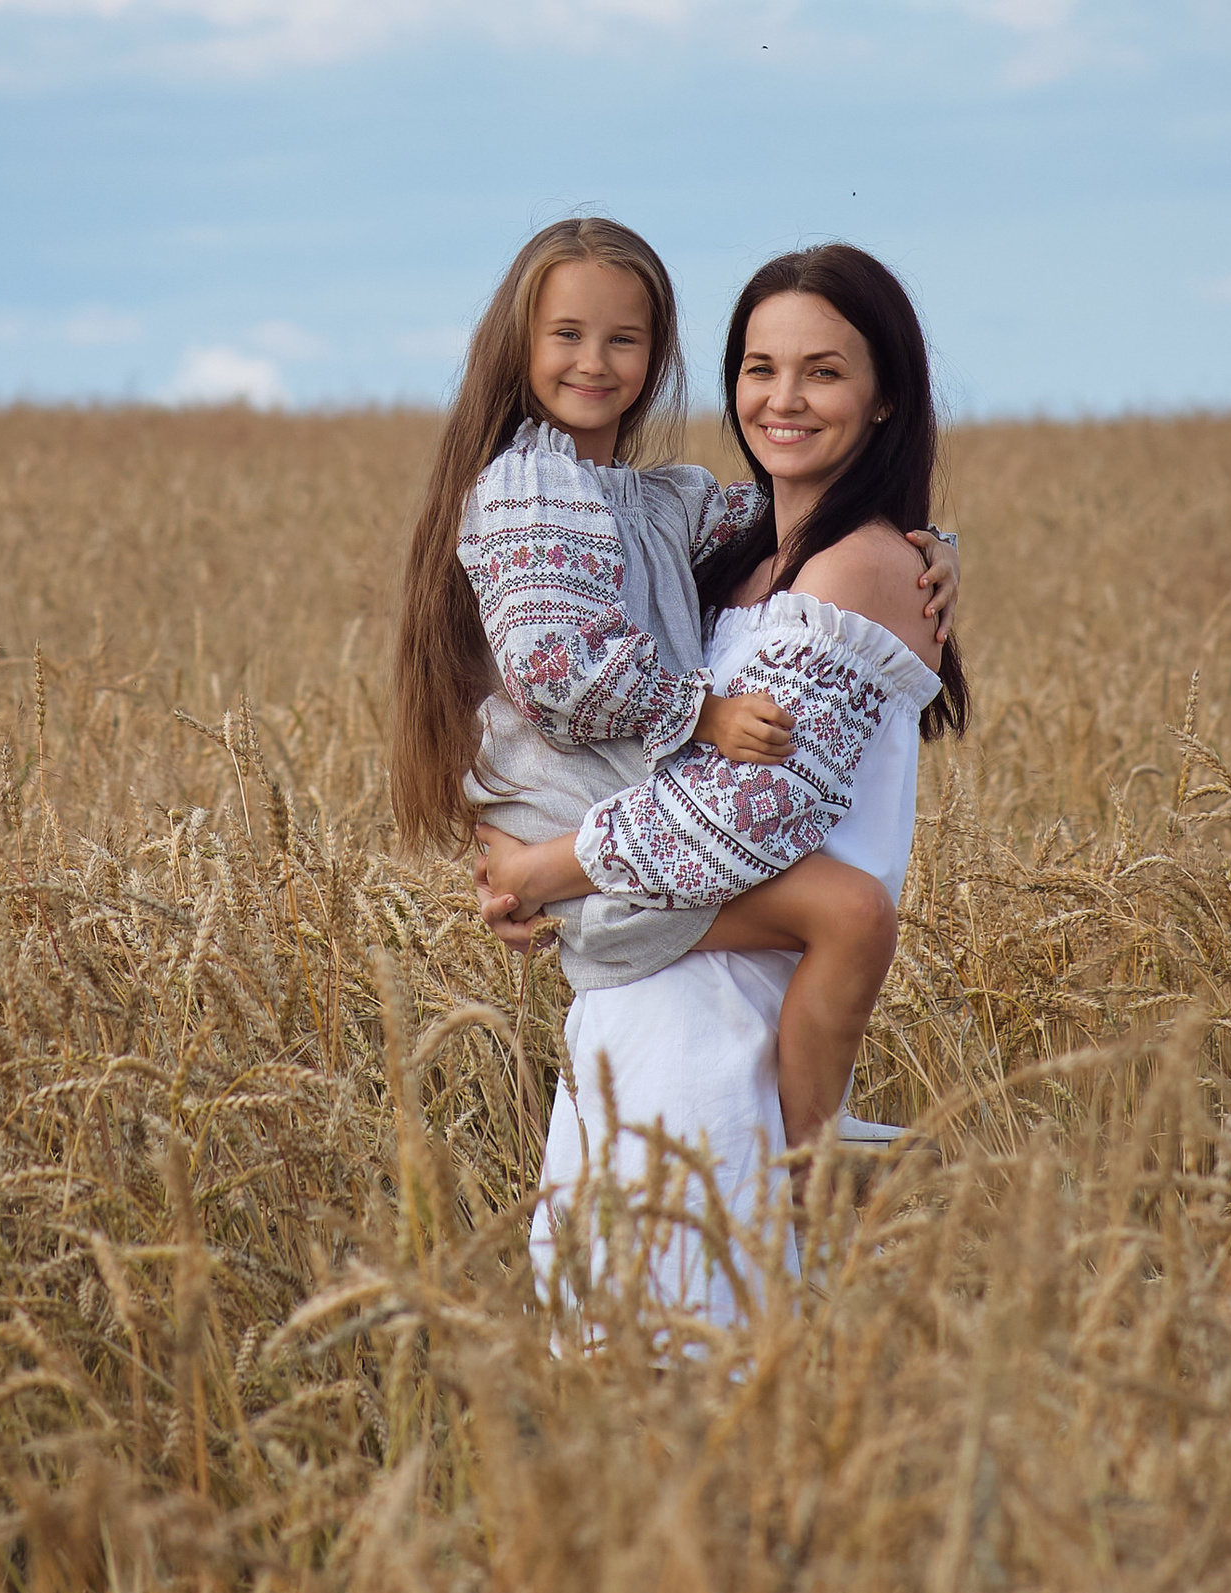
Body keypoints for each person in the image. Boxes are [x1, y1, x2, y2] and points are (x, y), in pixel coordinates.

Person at [389, 217, 956, 1164]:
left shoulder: (653, 500)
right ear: (518, 346)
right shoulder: (535, 486)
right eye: (566, 335)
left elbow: (784, 514)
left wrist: (925, 543)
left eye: (626, 338)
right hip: (630, 914)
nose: (596, 362)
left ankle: (814, 1145)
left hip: (652, 959)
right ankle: (818, 1147)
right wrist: (699, 712)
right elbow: (553, 668)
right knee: (849, 914)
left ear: (658, 355)